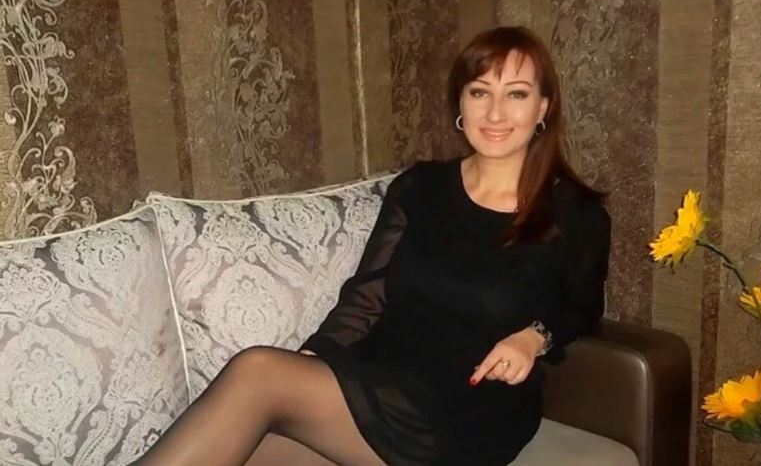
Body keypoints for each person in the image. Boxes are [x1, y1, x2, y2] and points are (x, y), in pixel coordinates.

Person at [130, 26, 611, 466]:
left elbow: (584, 306)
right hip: (378, 378)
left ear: (543, 108)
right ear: (461, 104)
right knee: (247, 444)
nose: (496, 113)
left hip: (470, 409)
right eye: (480, 91)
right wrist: (310, 364)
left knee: (256, 373)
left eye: (517, 94)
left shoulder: (575, 212)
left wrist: (534, 338)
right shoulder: (419, 188)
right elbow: (367, 295)